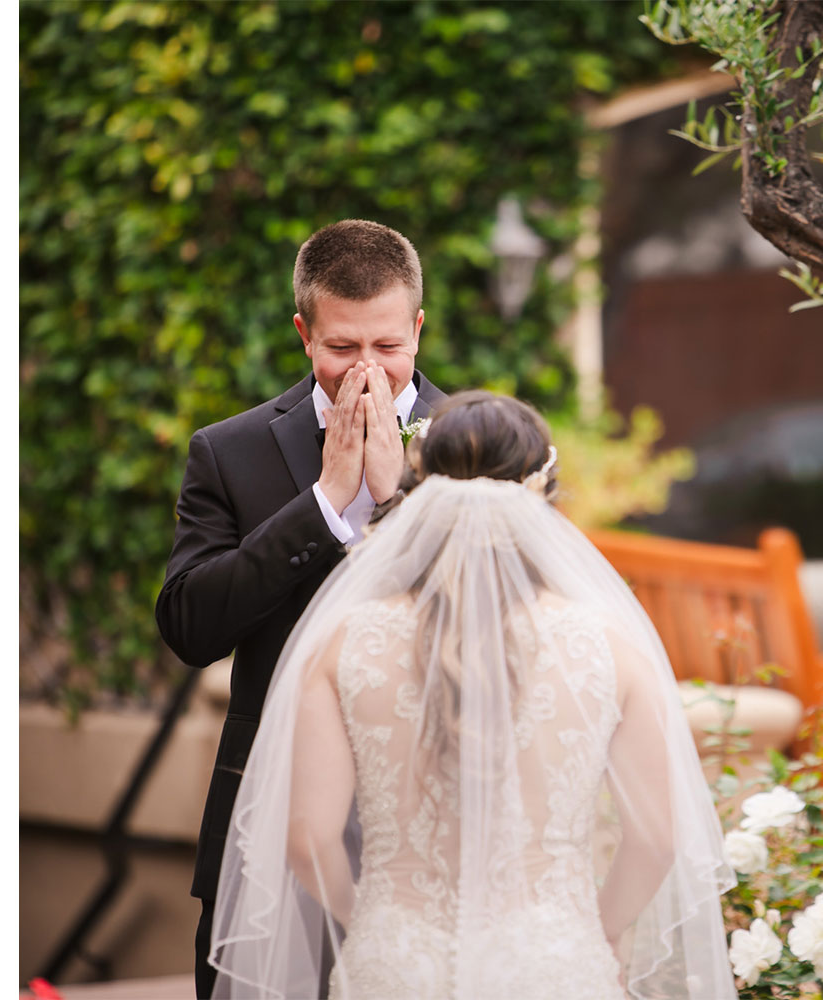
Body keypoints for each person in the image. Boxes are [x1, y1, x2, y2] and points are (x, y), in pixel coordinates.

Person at [207, 392, 737, 999]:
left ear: (419, 492)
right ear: (544, 499)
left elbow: (307, 838)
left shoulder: (347, 644)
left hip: (399, 969)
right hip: (553, 965)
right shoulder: (612, 648)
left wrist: (375, 927)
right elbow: (659, 838)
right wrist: (603, 932)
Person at [156, 219, 447, 998]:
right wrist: (322, 503)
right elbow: (189, 626)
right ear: (303, 333)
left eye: (388, 348)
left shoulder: (476, 443)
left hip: (433, 816)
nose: (369, 373)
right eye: (342, 349)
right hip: (267, 818)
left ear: (418, 327)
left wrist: (397, 502)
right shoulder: (231, 450)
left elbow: (503, 626)